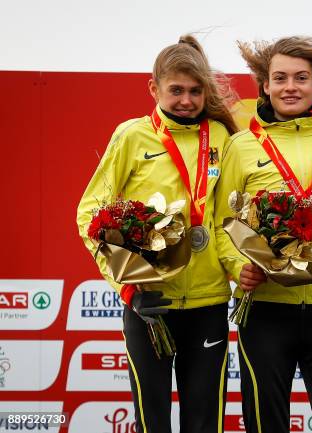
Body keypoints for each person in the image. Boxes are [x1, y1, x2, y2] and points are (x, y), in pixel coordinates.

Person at [76, 35, 238, 433]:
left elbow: (231, 218)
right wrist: (127, 286)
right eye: (176, 90)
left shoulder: (220, 137)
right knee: (153, 422)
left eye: (195, 91)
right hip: (149, 306)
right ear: (154, 88)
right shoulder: (131, 136)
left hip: (208, 303)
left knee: (204, 422)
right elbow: (89, 214)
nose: (186, 100)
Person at [214, 36, 312, 433]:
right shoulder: (242, 146)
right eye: (280, 78)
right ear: (264, 86)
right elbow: (221, 224)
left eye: (301, 78)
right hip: (265, 308)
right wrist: (238, 267)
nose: (290, 87)